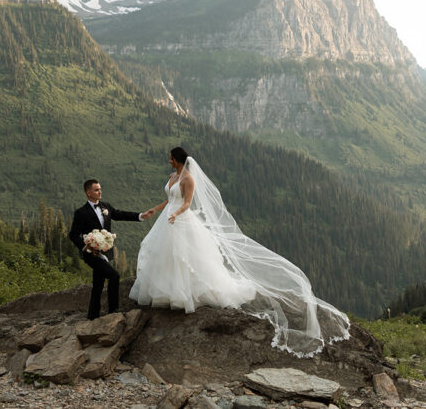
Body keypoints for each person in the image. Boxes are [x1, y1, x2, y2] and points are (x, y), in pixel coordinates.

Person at [129, 147, 350, 357]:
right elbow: (169, 199)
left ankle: (186, 293)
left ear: (177, 159)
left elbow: (187, 203)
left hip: (180, 219)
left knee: (185, 256)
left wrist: (176, 214)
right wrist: (155, 209)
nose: (168, 161)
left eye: (171, 157)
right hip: (167, 218)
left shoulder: (188, 179)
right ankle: (168, 291)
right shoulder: (173, 176)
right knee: (166, 255)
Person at [68, 178, 153, 320]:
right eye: (96, 190)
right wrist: (86, 246)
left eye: (100, 189)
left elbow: (120, 214)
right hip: (92, 254)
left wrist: (140, 216)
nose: (100, 192)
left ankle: (92, 316)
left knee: (98, 284)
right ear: (88, 193)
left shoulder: (105, 206)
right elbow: (73, 234)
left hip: (106, 252)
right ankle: (113, 310)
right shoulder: (81, 212)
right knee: (114, 276)